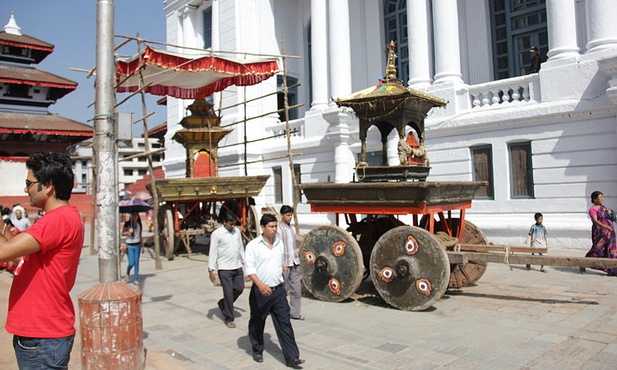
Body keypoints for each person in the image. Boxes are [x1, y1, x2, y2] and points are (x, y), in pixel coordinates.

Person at [0, 152, 84, 369]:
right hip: (42, 332)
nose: (25, 189)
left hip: (42, 333)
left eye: (29, 183)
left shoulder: (57, 220)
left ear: (48, 186)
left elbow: (3, 251)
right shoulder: (60, 218)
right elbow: (17, 252)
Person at [245, 214, 304, 368]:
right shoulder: (253, 245)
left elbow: (278, 263)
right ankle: (257, 349)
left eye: (275, 226)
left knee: (285, 322)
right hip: (260, 291)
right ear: (263, 228)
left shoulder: (279, 243)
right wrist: (260, 285)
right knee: (257, 321)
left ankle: (292, 357)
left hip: (278, 290)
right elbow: (250, 269)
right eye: (271, 227)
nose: (274, 230)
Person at [208, 212, 245, 328]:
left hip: (237, 266)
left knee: (239, 288)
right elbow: (213, 251)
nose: (232, 226)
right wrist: (211, 269)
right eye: (230, 224)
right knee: (228, 293)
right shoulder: (217, 234)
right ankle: (229, 318)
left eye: (234, 224)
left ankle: (223, 303)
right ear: (224, 223)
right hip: (224, 268)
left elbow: (240, 248)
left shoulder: (237, 232)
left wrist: (245, 263)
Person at [277, 205, 304, 320]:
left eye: (291, 215)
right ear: (282, 216)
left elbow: (294, 245)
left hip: (294, 262)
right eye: (288, 215)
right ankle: (280, 312)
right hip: (284, 264)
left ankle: (295, 313)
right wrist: (280, 263)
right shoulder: (278, 229)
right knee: (283, 290)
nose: (290, 217)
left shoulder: (292, 229)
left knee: (297, 290)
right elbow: (277, 247)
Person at [581, 191, 616, 275]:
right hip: (600, 233)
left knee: (610, 250)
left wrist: (610, 212)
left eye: (602, 197)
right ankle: (582, 263)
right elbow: (595, 221)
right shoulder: (592, 209)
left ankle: (612, 268)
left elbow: (608, 216)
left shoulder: (603, 207)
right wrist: (605, 227)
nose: (602, 199)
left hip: (610, 233)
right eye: (600, 198)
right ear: (594, 199)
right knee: (597, 250)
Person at [122, 210, 143, 285]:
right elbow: (122, 233)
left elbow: (140, 235)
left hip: (137, 245)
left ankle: (135, 279)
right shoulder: (127, 224)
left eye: (136, 215)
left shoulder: (139, 224)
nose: (135, 217)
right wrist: (128, 232)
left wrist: (142, 246)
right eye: (133, 215)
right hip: (129, 245)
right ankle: (127, 272)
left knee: (136, 262)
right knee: (132, 263)